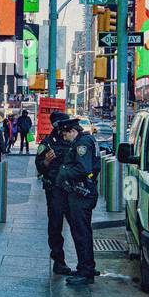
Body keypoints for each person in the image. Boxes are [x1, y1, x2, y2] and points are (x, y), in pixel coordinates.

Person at [56, 118, 100, 286]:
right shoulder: (86, 140)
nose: (64, 137)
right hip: (82, 193)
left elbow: (83, 168)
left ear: (72, 131)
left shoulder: (82, 144)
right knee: (82, 231)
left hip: (81, 194)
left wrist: (64, 170)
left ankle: (86, 271)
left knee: (81, 232)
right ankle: (85, 266)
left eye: (65, 134)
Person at [35, 110, 73, 275]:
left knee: (78, 227)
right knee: (56, 225)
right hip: (54, 190)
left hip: (72, 189)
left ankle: (84, 265)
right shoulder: (47, 143)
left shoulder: (73, 139)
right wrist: (46, 161)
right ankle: (59, 260)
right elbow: (39, 167)